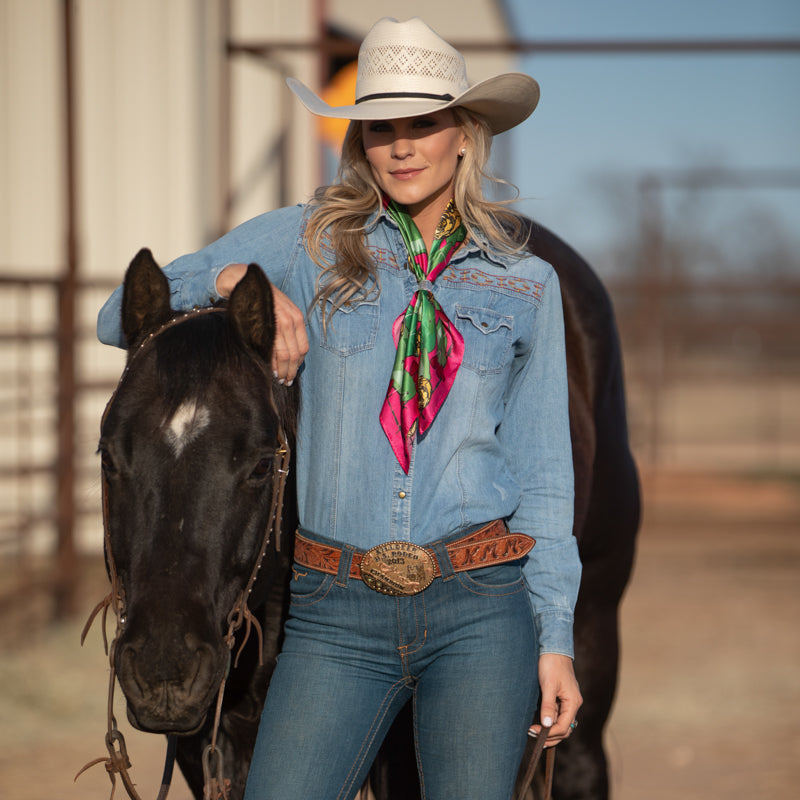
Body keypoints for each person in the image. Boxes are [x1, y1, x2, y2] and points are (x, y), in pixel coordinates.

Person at [98, 16, 582, 800]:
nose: (402, 146)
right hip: (336, 611)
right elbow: (114, 315)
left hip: (478, 605)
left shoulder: (525, 285)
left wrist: (554, 638)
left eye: (423, 124)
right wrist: (226, 278)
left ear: (465, 135)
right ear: (360, 141)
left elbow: (545, 479)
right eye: (381, 128)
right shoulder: (307, 240)